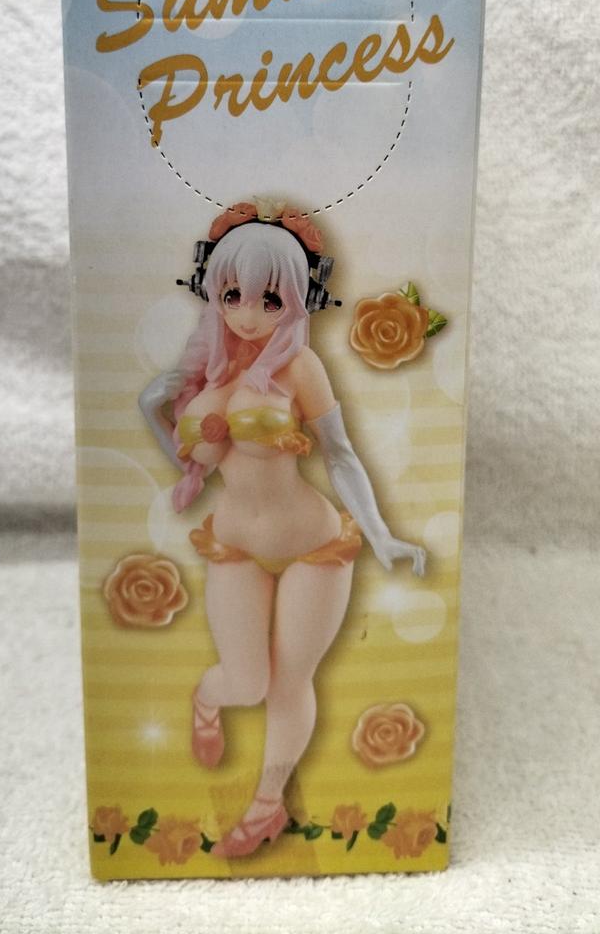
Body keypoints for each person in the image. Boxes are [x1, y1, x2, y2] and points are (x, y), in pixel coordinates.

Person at [139, 201, 426, 858]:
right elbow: (191, 460)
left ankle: (267, 804)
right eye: (233, 295)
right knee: (246, 682)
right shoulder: (206, 374)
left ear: (296, 299)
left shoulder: (300, 368)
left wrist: (381, 533)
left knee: (290, 678)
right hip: (235, 542)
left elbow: (341, 455)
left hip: (312, 544)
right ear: (214, 291)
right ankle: (207, 700)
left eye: (270, 299)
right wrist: (155, 408)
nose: (248, 314)